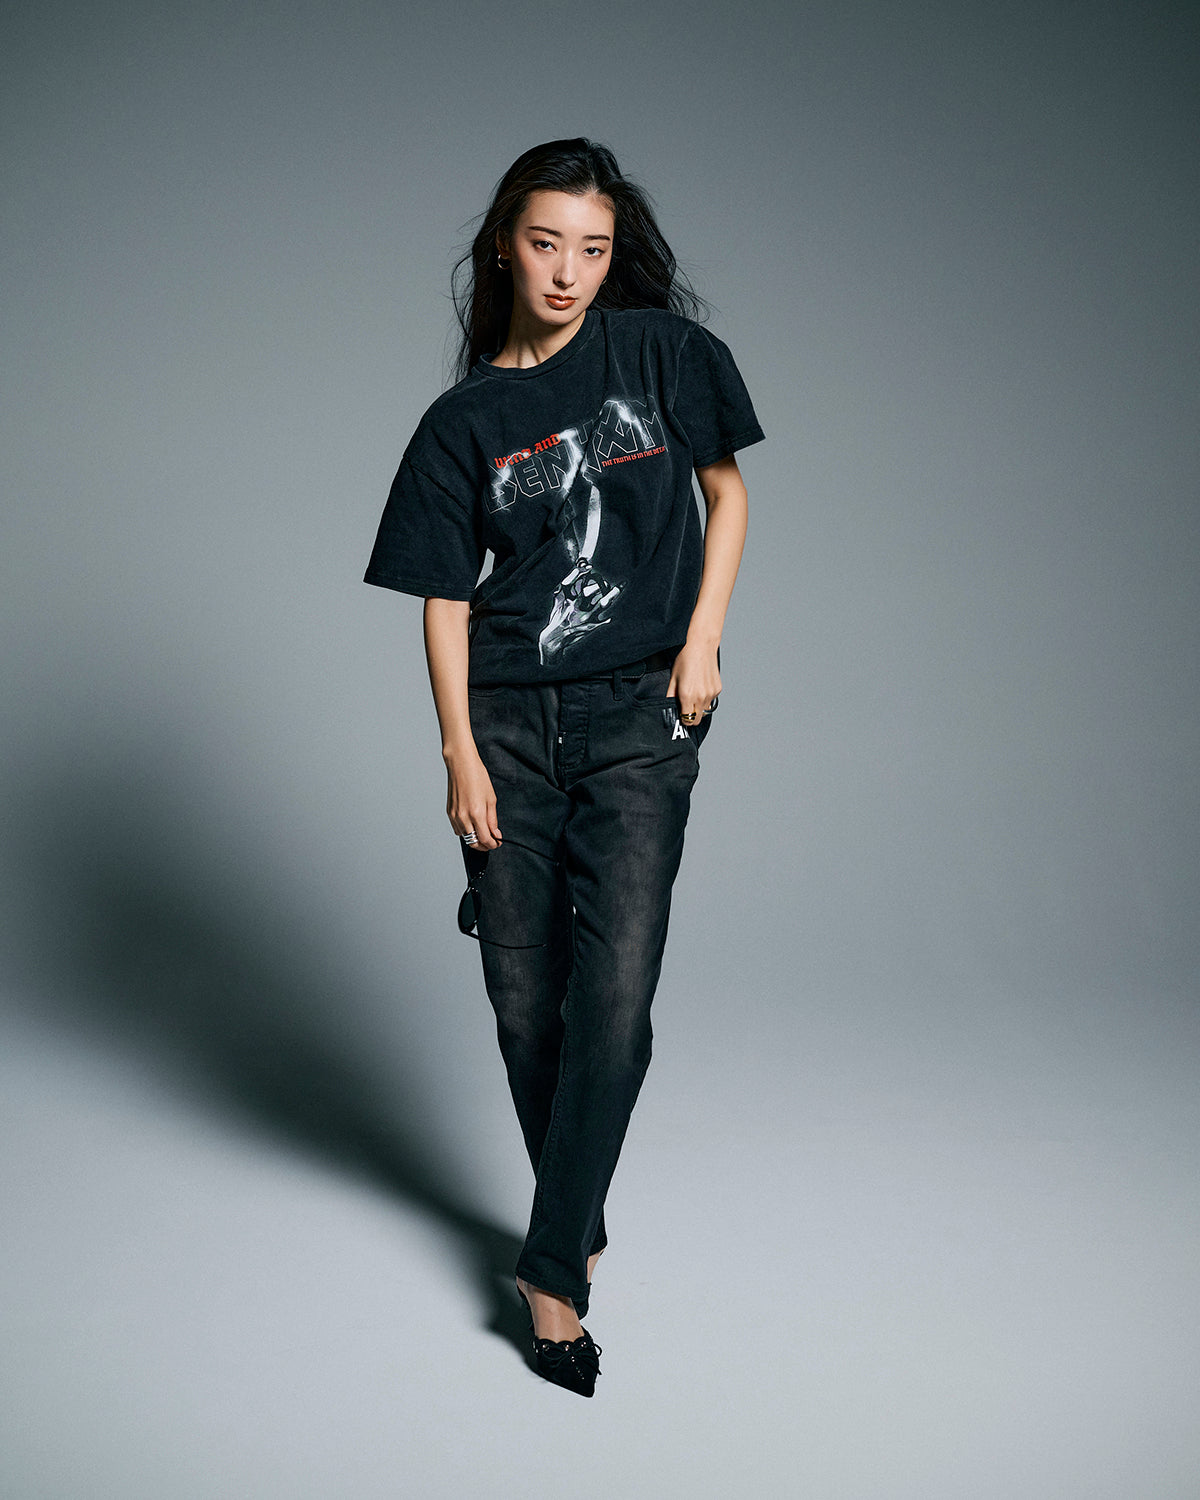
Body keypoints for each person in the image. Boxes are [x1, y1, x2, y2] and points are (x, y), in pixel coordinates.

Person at [364, 138, 764, 1396]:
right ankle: (571, 1228)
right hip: (508, 729)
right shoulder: (462, 423)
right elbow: (442, 599)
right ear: (505, 245)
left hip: (642, 714)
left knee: (614, 1007)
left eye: (592, 249)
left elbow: (726, 495)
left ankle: (549, 1276)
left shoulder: (664, 355)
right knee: (523, 1003)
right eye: (547, 243)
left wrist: (702, 639)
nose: (569, 272)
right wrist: (457, 752)